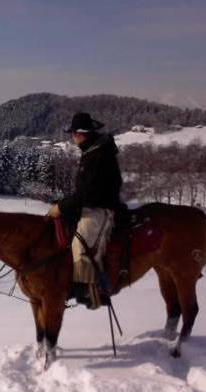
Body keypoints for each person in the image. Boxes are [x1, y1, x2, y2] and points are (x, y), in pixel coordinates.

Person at [47, 112, 123, 308]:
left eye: (73, 133)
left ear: (80, 134)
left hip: (100, 207)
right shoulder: (92, 150)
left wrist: (61, 206)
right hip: (90, 203)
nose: (72, 137)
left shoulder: (98, 154)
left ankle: (90, 291)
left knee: (81, 246)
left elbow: (89, 193)